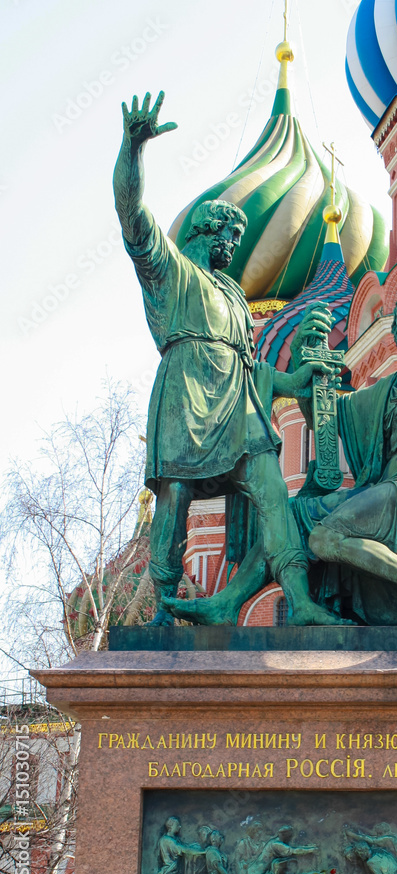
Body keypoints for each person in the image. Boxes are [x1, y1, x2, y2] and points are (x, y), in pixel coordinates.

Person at [168, 282, 397, 626]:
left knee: (325, 537)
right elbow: (324, 421)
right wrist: (304, 363)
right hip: (394, 487)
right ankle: (227, 604)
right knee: (293, 514)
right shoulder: (390, 386)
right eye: (396, 312)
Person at [113, 91, 339, 626]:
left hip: (238, 407)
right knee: (175, 501)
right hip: (186, 397)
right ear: (203, 232)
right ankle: (164, 611)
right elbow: (131, 215)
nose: (233, 248)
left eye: (238, 238)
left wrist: (292, 379)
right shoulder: (171, 272)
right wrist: (133, 150)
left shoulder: (236, 296)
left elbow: (253, 368)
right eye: (228, 236)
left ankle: (301, 601)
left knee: (272, 497)